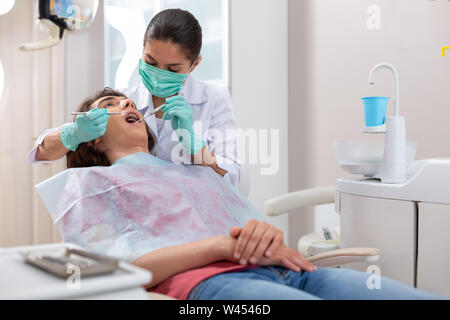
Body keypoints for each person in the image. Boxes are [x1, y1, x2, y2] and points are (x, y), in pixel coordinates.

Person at [44, 87, 445, 301]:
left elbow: (238, 208)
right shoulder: (90, 185)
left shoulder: (192, 171)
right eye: (109, 105)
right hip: (213, 286)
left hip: (290, 271)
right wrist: (222, 247)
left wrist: (263, 236)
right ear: (91, 137)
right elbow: (116, 270)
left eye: (127, 100)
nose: (127, 103)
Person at [30, 8, 241, 186]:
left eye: (173, 69)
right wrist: (74, 134)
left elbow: (236, 180)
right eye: (150, 61)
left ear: (195, 64)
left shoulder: (213, 100)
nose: (159, 73)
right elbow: (40, 152)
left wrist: (195, 146)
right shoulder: (126, 98)